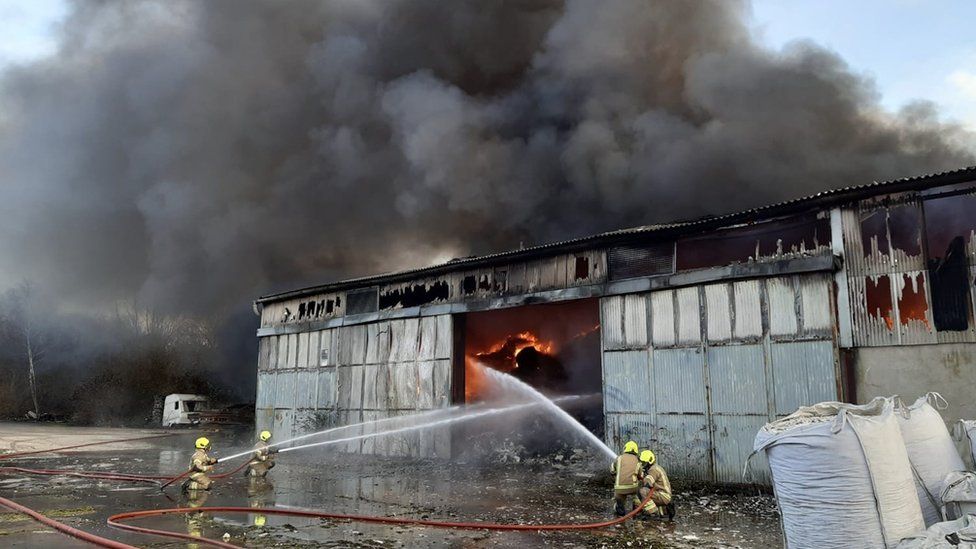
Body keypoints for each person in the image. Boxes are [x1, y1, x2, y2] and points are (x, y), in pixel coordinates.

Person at [638, 449, 675, 520]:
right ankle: (664, 511)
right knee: (644, 493)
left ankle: (653, 513)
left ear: (649, 461)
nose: (642, 465)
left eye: (644, 463)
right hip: (664, 494)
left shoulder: (653, 469)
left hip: (663, 495)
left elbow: (648, 482)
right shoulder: (656, 467)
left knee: (643, 491)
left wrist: (641, 476)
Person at [610, 440, 642, 516]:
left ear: (625, 448)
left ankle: (620, 509)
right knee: (637, 494)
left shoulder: (619, 458)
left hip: (619, 488)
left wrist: (617, 477)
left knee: (619, 496)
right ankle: (636, 509)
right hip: (633, 487)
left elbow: (612, 470)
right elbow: (640, 475)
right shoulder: (637, 460)